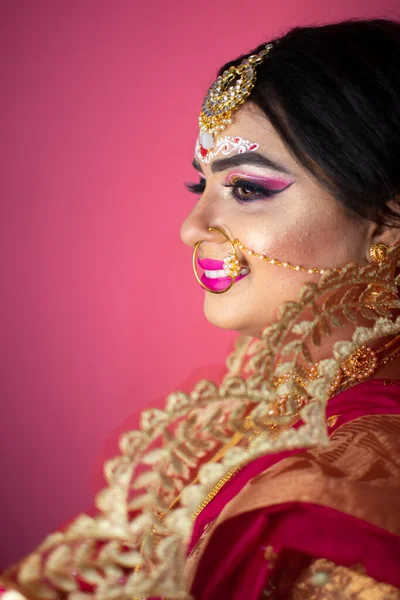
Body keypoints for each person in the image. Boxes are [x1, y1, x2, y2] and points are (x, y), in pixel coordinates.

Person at [1, 17, 400, 600]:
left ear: (387, 223)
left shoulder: (356, 481)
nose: (193, 228)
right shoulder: (284, 423)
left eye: (246, 189)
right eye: (200, 188)